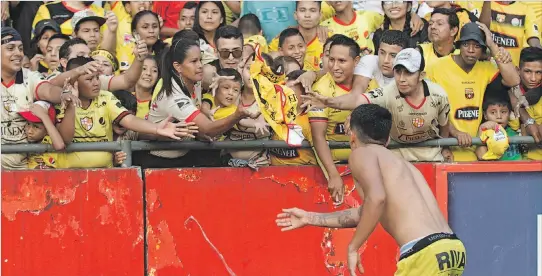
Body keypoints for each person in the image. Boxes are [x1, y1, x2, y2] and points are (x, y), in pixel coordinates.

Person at [276, 104, 466, 276]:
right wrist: (310, 218)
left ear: (352, 137)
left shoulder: (361, 153)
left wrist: (353, 247)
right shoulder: (403, 165)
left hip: (423, 252)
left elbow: (376, 199)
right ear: (388, 139)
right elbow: (366, 211)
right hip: (452, 248)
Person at [303, 48, 452, 162]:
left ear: (421, 75)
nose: (401, 79)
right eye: (398, 72)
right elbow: (356, 100)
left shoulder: (439, 95)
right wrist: (328, 102)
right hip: (397, 161)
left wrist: (445, 147)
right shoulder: (387, 92)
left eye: (408, 73)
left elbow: (444, 125)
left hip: (431, 160)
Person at [55, 56, 196, 169]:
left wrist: (157, 128)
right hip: (69, 176)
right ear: (74, 83)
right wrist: (71, 106)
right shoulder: (60, 101)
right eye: (89, 79)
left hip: (105, 173)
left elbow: (129, 120)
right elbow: (66, 139)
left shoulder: (106, 97)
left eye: (97, 77)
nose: (96, 83)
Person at [142, 39, 258, 168]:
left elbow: (213, 74)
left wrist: (221, 79)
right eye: (193, 61)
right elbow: (208, 129)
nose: (200, 66)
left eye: (200, 60)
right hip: (159, 161)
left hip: (184, 156)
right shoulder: (174, 97)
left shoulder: (194, 80)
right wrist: (237, 116)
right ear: (178, 66)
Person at [426, 22, 520, 162]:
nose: (471, 50)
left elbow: (513, 80)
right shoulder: (437, 67)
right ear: (459, 45)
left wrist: (492, 46)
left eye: (477, 46)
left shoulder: (485, 68)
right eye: (466, 44)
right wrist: (455, 132)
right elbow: (430, 109)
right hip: (446, 150)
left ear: (483, 49)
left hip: (474, 150)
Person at [1, 27, 79, 170]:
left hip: (23, 169)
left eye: (20, 48)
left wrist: (62, 95)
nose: (18, 53)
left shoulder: (29, 76)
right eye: (10, 48)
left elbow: (47, 90)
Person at [309, 35, 360, 203]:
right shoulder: (320, 90)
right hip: (337, 165)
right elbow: (318, 136)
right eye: (331, 60)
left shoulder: (369, 83)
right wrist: (333, 174)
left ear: (356, 61)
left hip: (365, 165)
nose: (334, 67)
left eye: (342, 61)